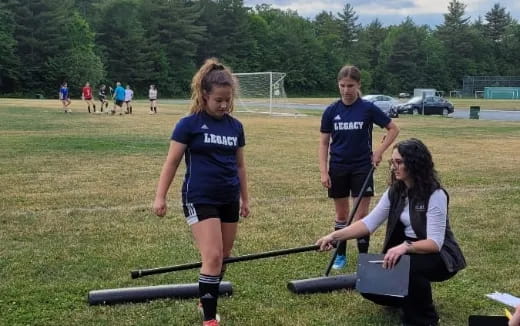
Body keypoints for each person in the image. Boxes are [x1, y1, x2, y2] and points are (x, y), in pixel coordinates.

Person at [316, 138, 466, 326]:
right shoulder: (394, 191)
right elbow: (368, 224)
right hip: (407, 251)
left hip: (439, 256)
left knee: (408, 267)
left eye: (399, 162)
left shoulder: (435, 195)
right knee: (369, 280)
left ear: (415, 163)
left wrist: (404, 247)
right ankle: (409, 300)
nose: (394, 167)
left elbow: (435, 243)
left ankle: (424, 319)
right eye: (392, 162)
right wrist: (334, 236)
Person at [152, 58, 249, 326]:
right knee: (213, 256)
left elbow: (240, 165)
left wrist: (245, 198)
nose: (223, 104)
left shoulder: (235, 127)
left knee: (224, 256)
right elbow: (171, 162)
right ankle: (209, 319)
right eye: (218, 99)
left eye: (227, 100)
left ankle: (204, 295)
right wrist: (160, 197)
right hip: (199, 197)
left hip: (228, 197)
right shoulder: (189, 124)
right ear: (204, 95)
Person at [319, 65, 399, 269]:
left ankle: (363, 259)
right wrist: (323, 170)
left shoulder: (368, 108)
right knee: (342, 216)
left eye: (351, 86)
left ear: (358, 85)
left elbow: (393, 129)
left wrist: (379, 151)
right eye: (342, 85)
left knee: (362, 216)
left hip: (362, 167)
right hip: (338, 167)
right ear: (338, 85)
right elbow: (323, 143)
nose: (346, 90)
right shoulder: (331, 111)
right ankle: (340, 255)